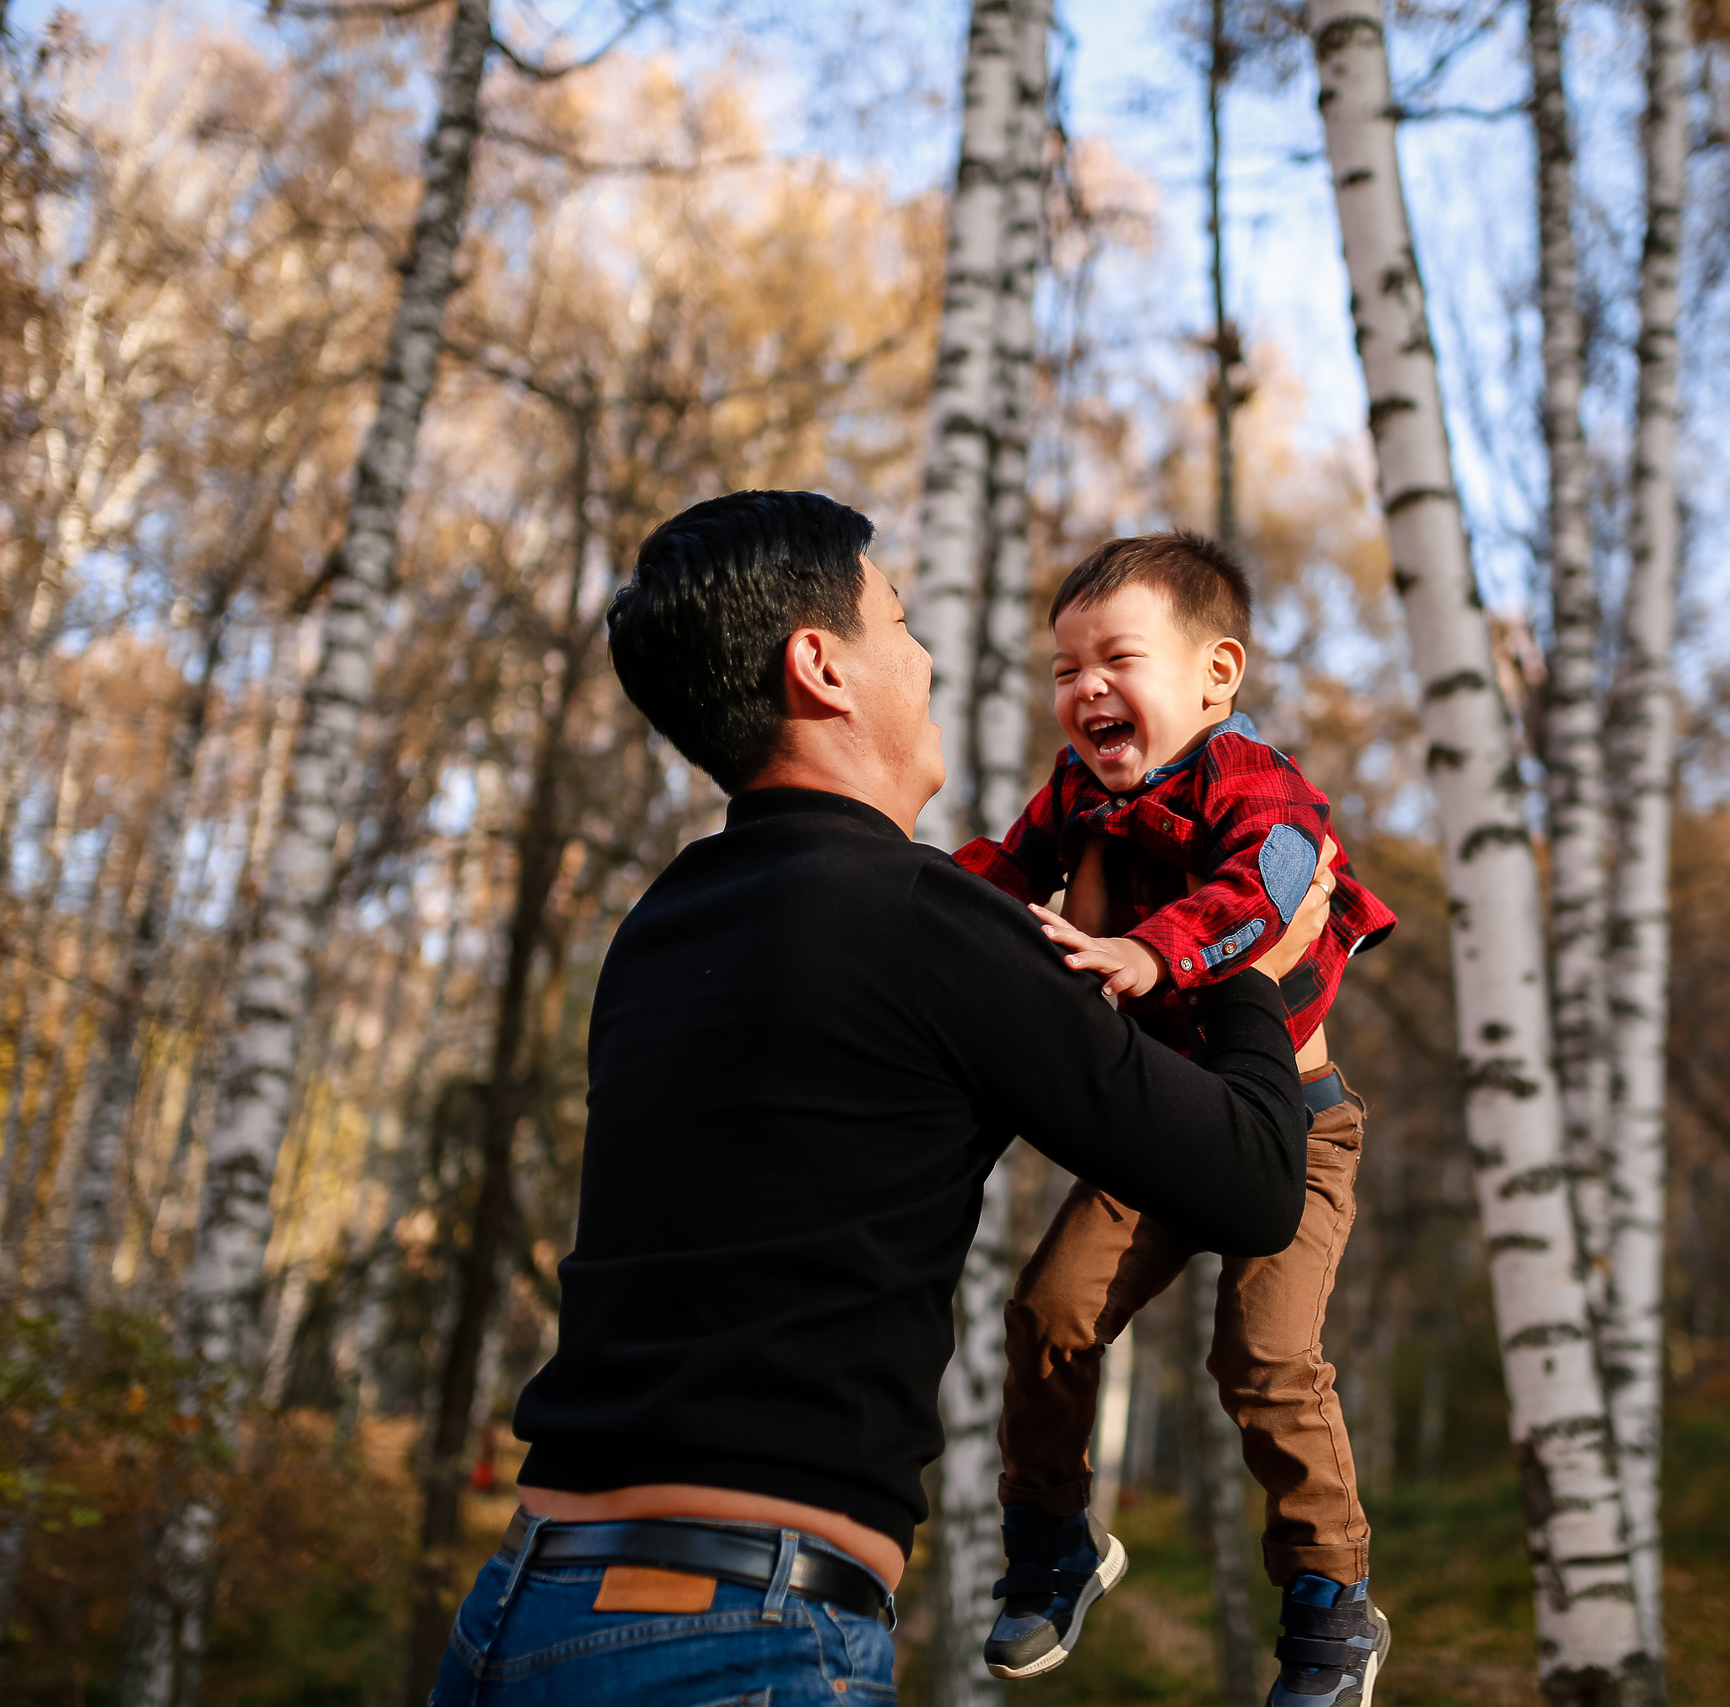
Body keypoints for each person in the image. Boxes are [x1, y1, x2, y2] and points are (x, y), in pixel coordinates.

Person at [429, 490, 1339, 1707]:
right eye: (899, 623)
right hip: (736, 1627)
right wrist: (1253, 977)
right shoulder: (929, 929)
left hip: (519, 1605)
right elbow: (1258, 1185)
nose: (925, 658)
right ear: (823, 667)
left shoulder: (663, 922)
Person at [952, 532, 1396, 1707]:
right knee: (1048, 1313)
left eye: (1118, 660)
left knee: (1264, 1359)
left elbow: (1265, 893)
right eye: (1065, 669)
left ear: (1216, 674)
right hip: (1158, 1129)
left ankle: (1330, 1602)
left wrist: (1153, 953)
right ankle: (1053, 1540)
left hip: (1296, 1129)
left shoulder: (1260, 786)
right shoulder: (1076, 789)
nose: (1085, 689)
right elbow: (1007, 870)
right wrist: (930, 909)